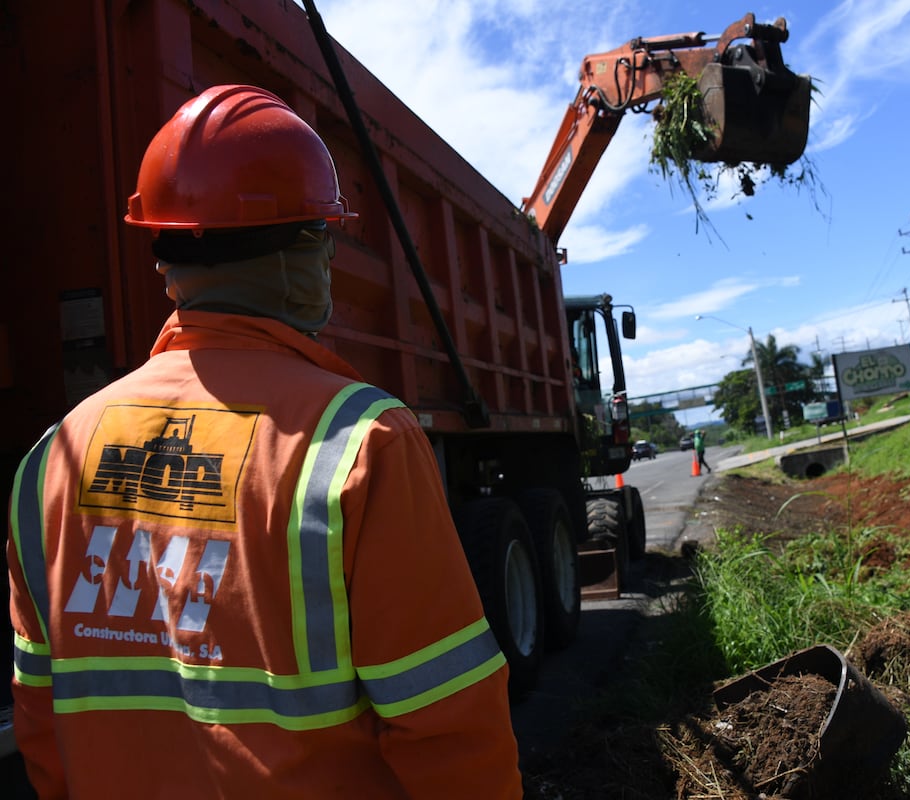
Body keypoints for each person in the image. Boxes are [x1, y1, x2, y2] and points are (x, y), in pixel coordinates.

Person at [6, 85, 523, 799]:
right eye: (323, 236)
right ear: (299, 251)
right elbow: (449, 726)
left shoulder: (51, 458)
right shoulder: (362, 440)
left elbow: (40, 719)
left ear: (166, 262)